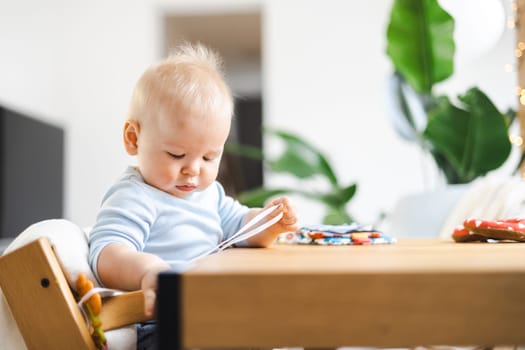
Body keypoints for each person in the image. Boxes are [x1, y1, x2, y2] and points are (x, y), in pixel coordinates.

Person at [87, 42, 299, 349]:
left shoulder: (208, 194)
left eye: (209, 157)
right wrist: (149, 271)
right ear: (134, 139)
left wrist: (269, 221)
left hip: (212, 312)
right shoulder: (135, 196)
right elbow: (107, 253)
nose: (193, 171)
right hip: (159, 322)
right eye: (176, 154)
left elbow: (240, 225)